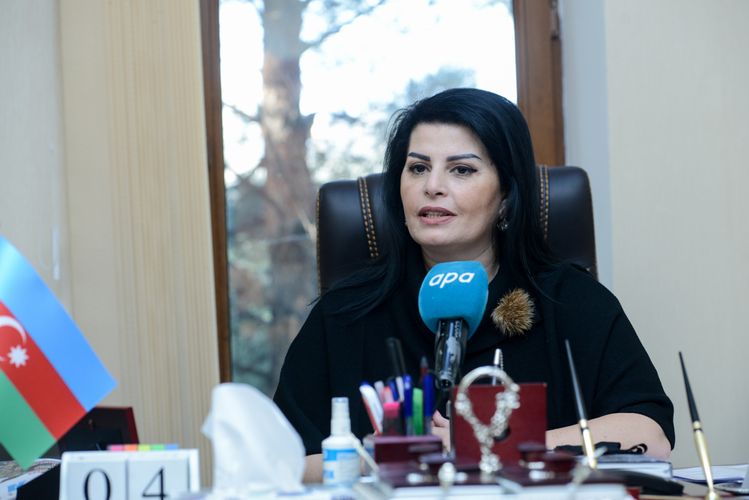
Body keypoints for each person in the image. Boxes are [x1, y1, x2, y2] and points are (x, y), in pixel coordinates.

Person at [273, 88, 674, 482]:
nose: (432, 186)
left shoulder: (570, 301)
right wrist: (376, 457)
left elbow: (650, 437)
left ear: (506, 195)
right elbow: (279, 462)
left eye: (461, 170)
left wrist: (487, 445)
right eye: (418, 168)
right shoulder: (345, 314)